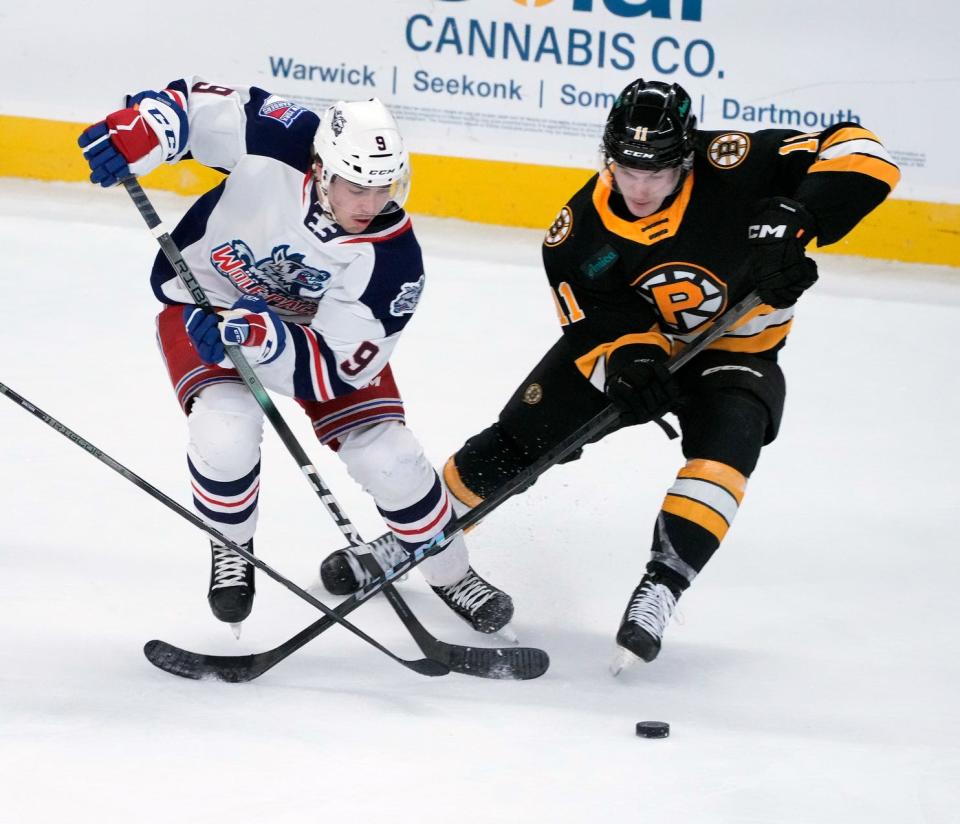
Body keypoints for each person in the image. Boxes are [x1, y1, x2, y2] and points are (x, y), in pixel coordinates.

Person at [322, 78, 900, 668]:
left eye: (658, 172)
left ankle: (662, 587)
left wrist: (801, 218)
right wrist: (628, 360)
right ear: (607, 156)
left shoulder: (738, 164)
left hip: (739, 350)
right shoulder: (576, 234)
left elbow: (865, 153)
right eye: (628, 170)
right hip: (638, 352)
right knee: (519, 439)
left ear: (687, 157)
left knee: (728, 448)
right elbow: (595, 326)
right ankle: (411, 540)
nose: (641, 186)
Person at [77, 80, 513, 635]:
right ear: (322, 167)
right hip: (207, 299)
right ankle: (234, 547)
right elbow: (195, 108)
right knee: (225, 434)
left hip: (308, 341)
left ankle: (451, 573)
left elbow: (333, 370)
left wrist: (265, 337)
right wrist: (148, 132)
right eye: (356, 186)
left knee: (391, 459)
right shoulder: (282, 134)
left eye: (384, 187)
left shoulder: (394, 262)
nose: (369, 204)